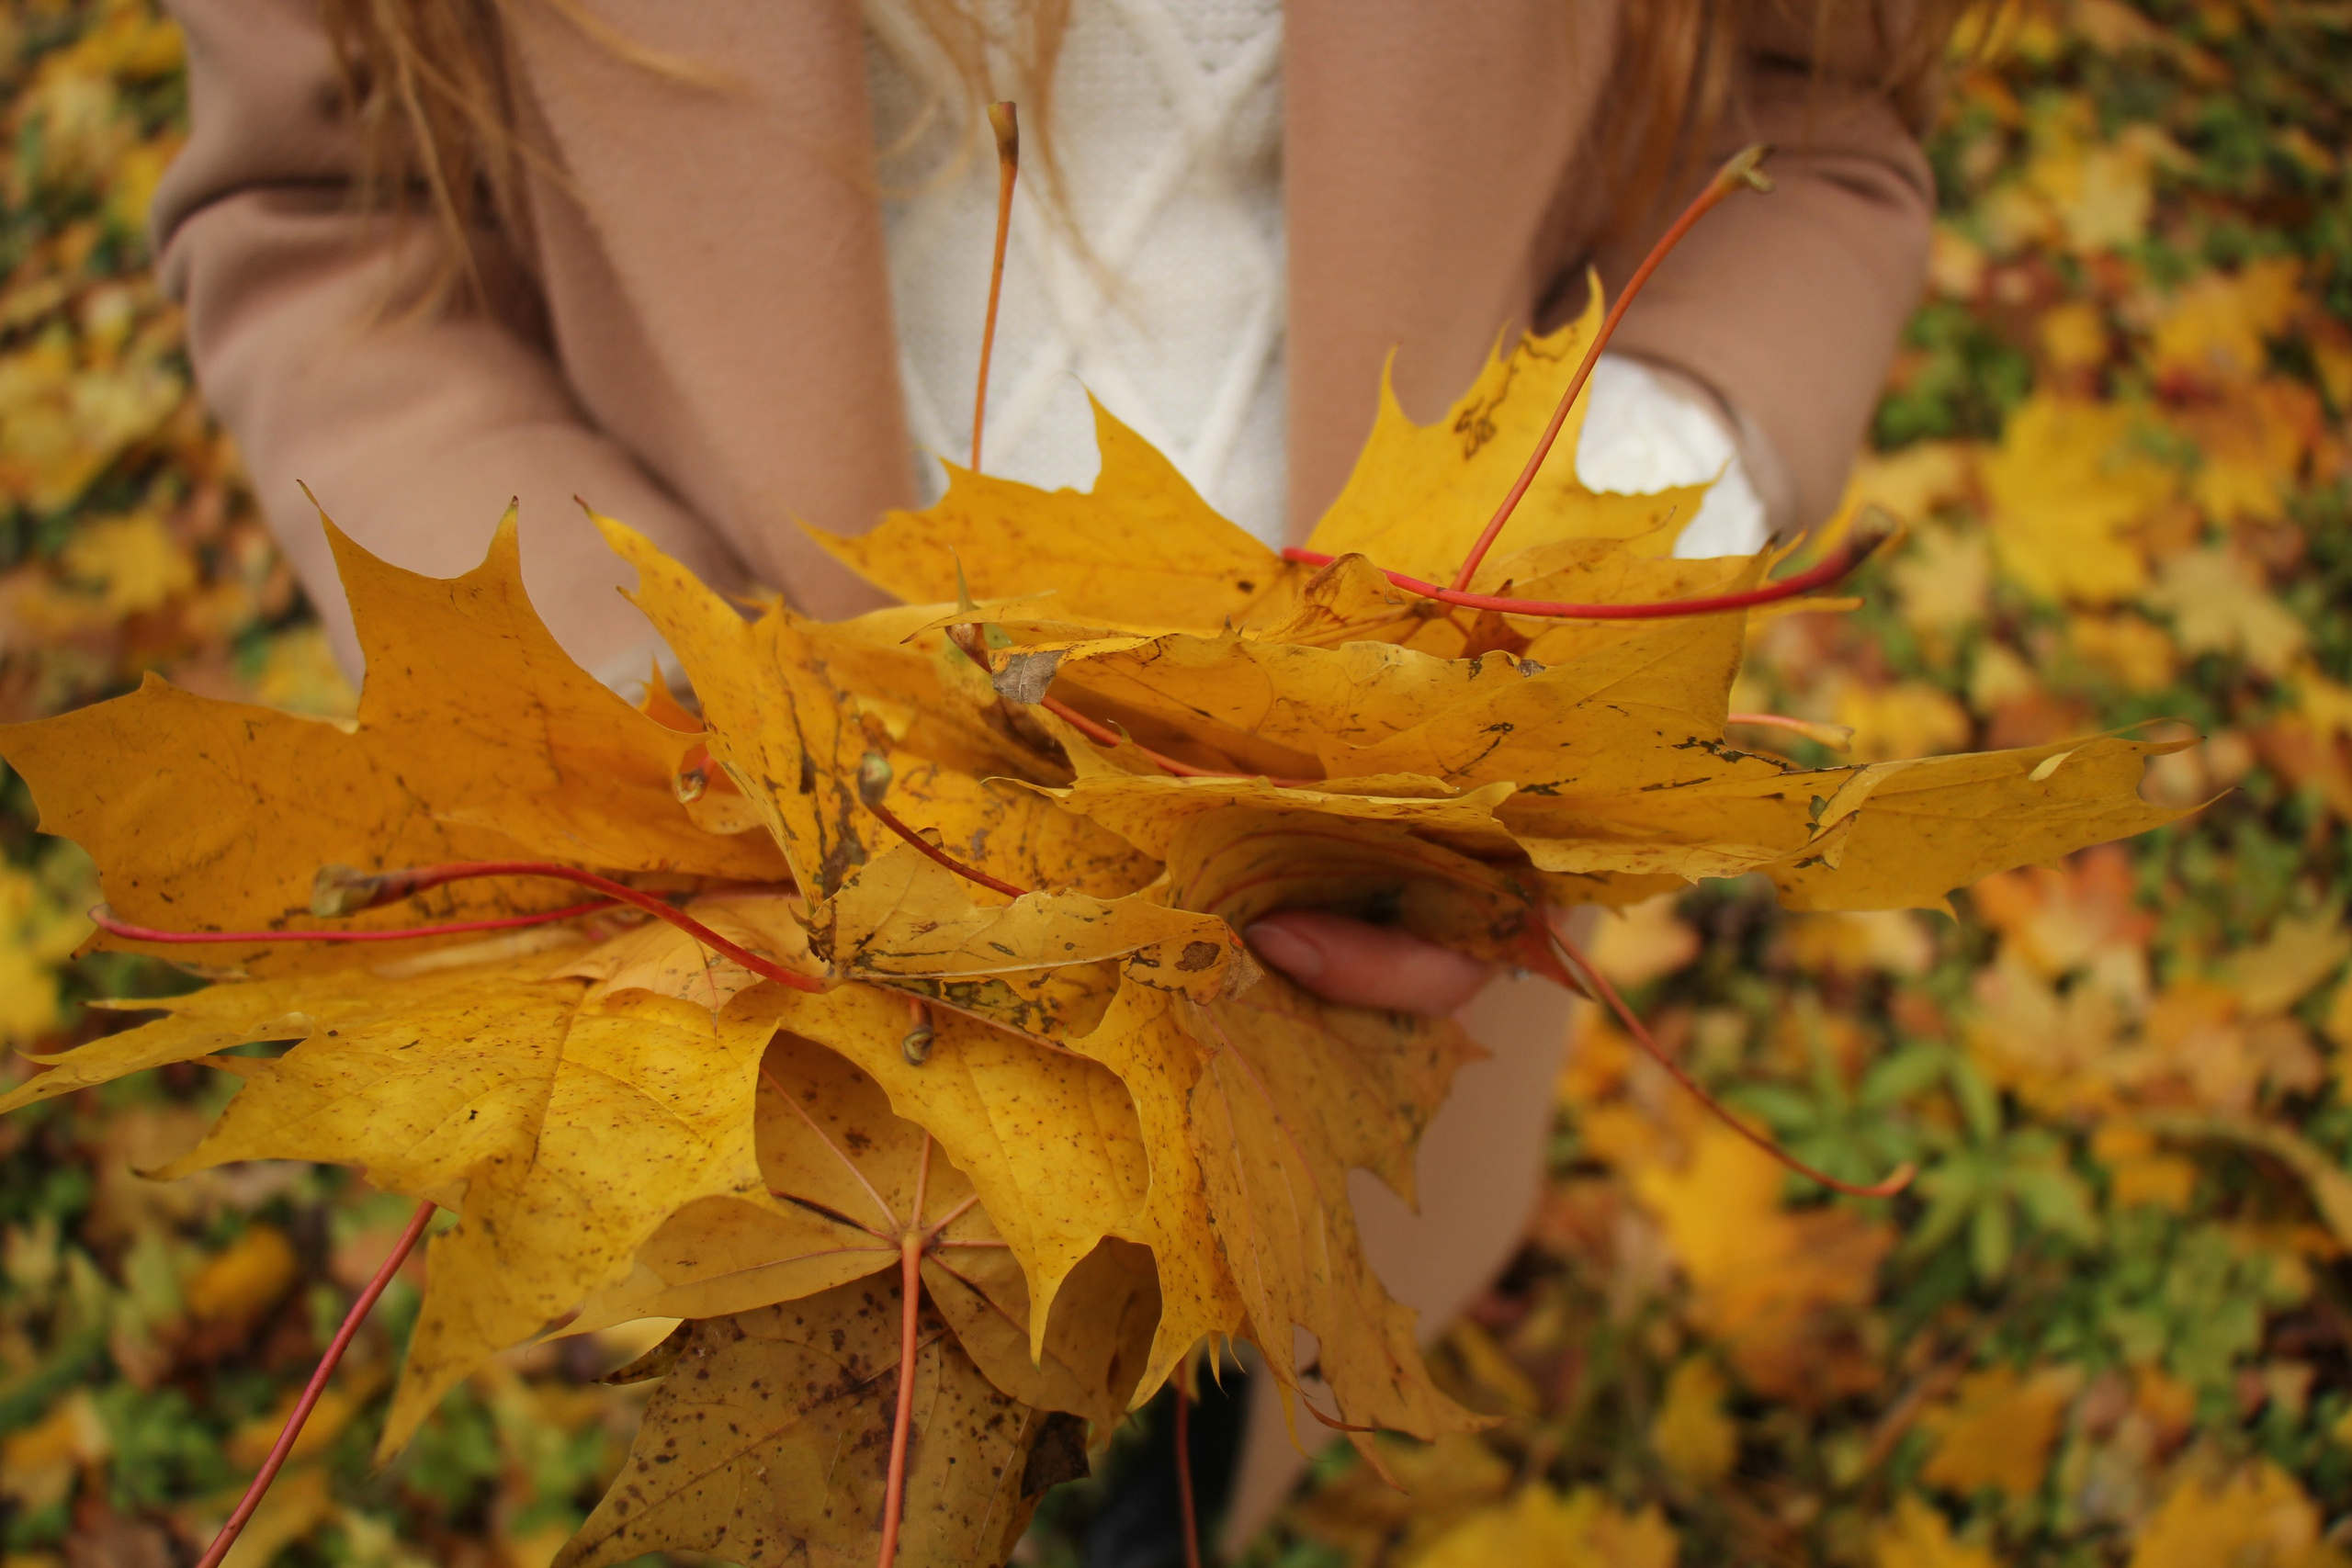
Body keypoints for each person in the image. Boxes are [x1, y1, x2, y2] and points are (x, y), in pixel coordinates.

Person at [150, 0, 1949, 1556]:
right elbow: (316, 216)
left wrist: (1572, 581)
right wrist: (670, 725)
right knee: (863, 1423)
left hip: (1361, 947)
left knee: (1202, 1415)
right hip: (772, 991)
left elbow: (1813, 113)